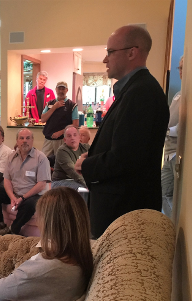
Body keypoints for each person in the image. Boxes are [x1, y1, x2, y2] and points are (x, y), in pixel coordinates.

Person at [75, 25, 169, 239]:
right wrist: (93, 155)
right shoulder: (133, 90)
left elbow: (126, 158)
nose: (105, 60)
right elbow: (125, 144)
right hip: (118, 208)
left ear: (132, 52)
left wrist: (87, 164)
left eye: (110, 52)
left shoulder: (141, 93)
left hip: (124, 211)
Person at [0, 129, 51, 237]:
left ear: (32, 140)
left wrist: (23, 198)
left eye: (28, 138)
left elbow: (41, 184)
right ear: (17, 141)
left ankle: (12, 230)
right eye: (22, 138)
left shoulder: (41, 158)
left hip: (34, 195)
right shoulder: (11, 157)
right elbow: (7, 180)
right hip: (16, 193)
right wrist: (12, 197)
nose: (25, 141)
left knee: (29, 204)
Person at [161, 56, 183, 218]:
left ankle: (174, 226)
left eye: (183, 67)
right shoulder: (178, 95)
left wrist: (168, 131)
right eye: (179, 67)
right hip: (168, 153)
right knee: (163, 193)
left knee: (173, 195)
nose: (181, 71)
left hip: (178, 153)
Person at [40, 81, 79, 157]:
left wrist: (61, 132)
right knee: (43, 161)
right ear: (56, 89)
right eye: (59, 89)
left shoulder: (72, 105)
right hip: (48, 139)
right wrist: (54, 107)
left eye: (63, 89)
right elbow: (43, 119)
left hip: (63, 140)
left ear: (66, 90)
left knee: (61, 162)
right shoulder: (49, 104)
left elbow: (75, 125)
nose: (61, 91)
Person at [52, 125, 88, 193]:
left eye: (75, 135)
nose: (72, 138)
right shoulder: (62, 151)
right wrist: (88, 184)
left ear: (79, 137)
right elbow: (73, 172)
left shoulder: (86, 148)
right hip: (61, 181)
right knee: (82, 189)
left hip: (77, 180)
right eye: (69, 136)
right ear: (65, 140)